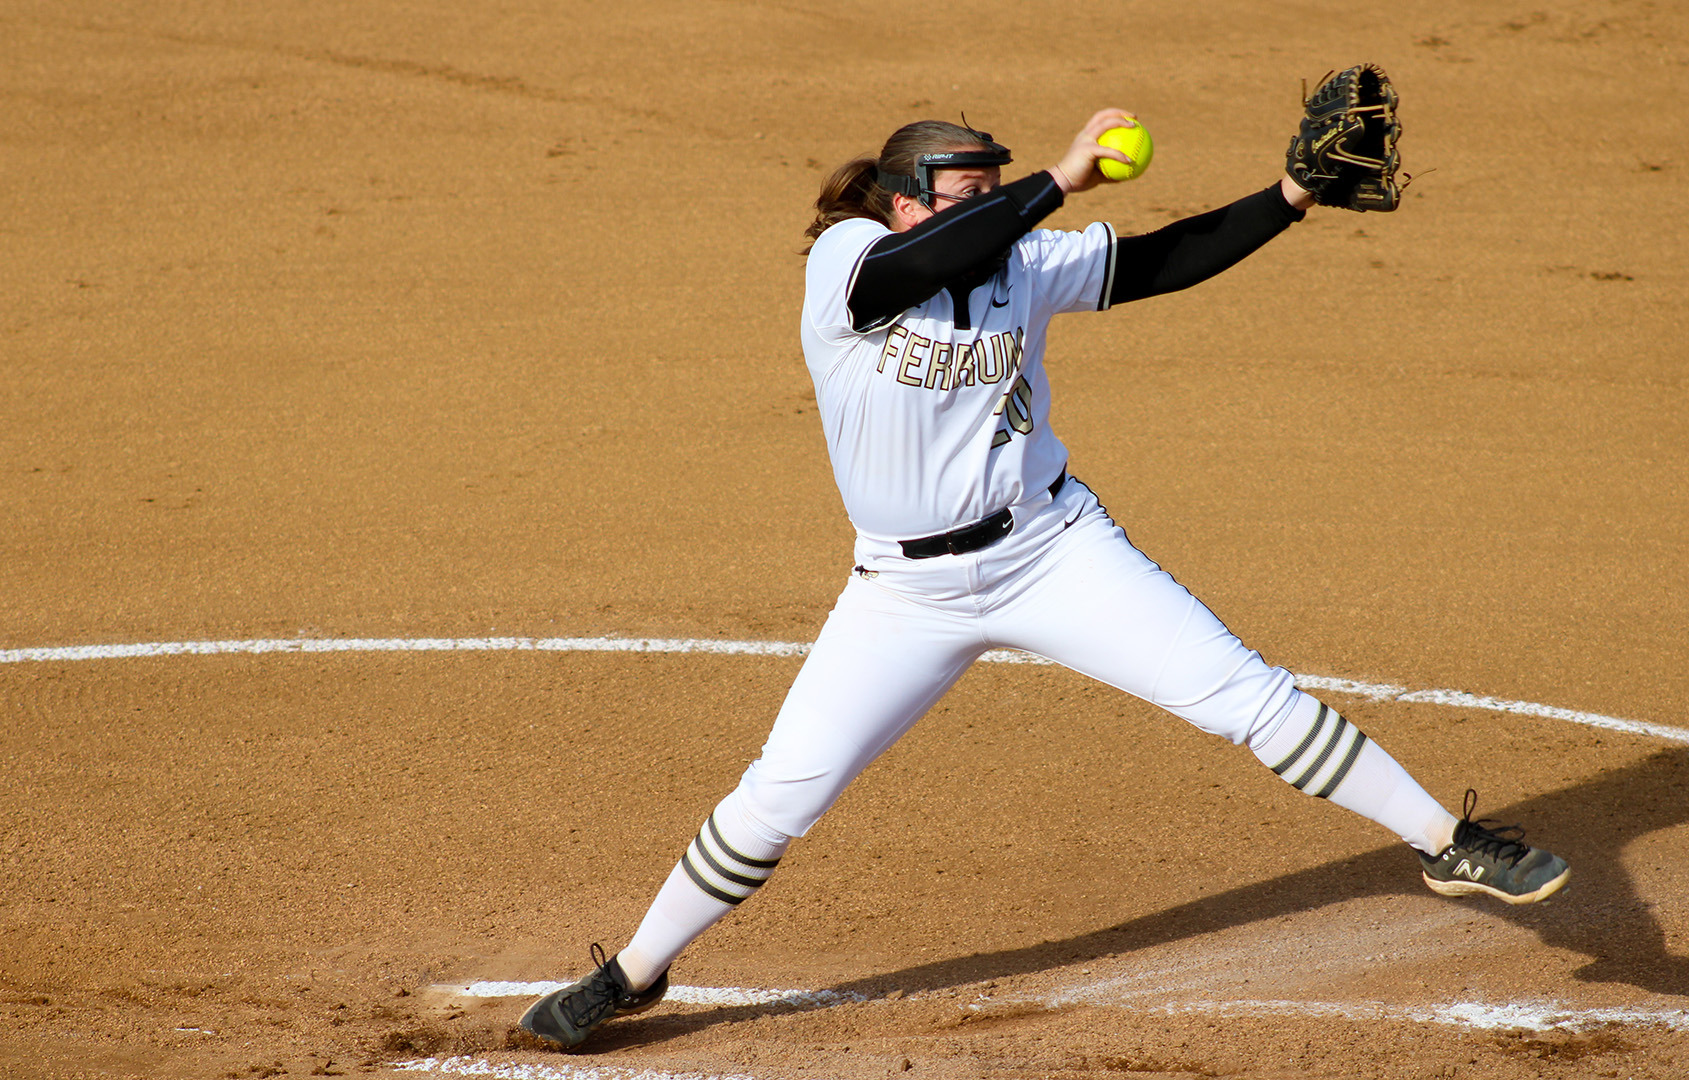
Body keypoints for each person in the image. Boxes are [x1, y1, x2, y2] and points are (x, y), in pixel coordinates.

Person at [519, 108, 1570, 1050]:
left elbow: (1167, 260)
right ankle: (631, 974)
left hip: (1051, 550)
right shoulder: (848, 261)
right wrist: (1056, 182)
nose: (992, 212)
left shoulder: (1026, 261)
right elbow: (922, 263)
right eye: (969, 195)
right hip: (902, 595)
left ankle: (1449, 841)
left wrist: (1292, 198)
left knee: (1246, 696)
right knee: (777, 799)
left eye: (996, 192)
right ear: (905, 202)